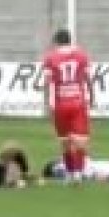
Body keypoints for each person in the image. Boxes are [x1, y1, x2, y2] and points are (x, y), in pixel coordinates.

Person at [41, 28, 94, 183]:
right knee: (80, 140)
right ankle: (78, 173)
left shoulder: (50, 57)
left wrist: (46, 103)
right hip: (78, 102)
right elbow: (88, 78)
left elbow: (47, 82)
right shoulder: (81, 55)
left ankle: (70, 173)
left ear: (56, 41)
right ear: (70, 40)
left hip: (60, 104)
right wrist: (92, 96)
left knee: (64, 140)